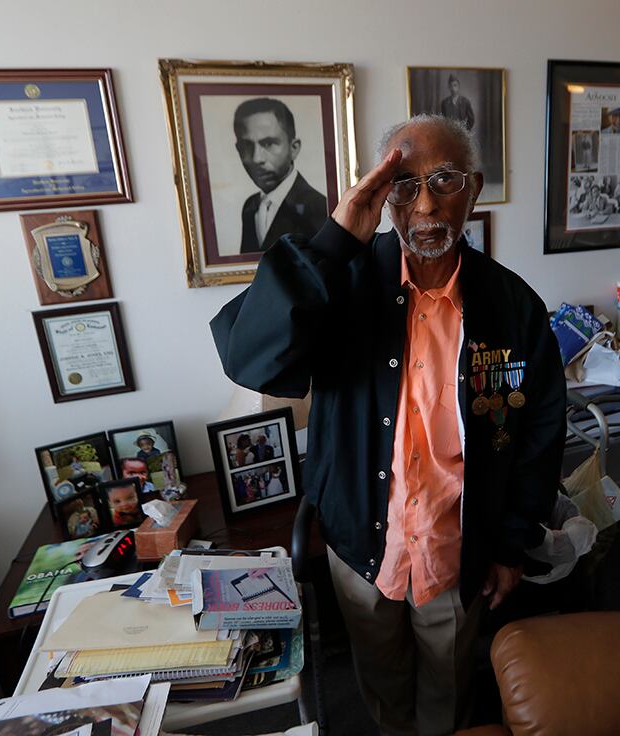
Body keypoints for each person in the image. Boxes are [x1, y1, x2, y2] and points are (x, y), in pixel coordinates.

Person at [211, 114, 564, 735]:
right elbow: (249, 356)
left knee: (450, 693)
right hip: (362, 544)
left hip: (459, 553)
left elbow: (539, 433)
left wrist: (512, 543)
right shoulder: (338, 279)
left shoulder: (514, 307)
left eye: (445, 179)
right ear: (380, 193)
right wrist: (333, 240)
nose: (426, 203)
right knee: (382, 689)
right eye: (404, 184)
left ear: (474, 188)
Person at [234, 98, 328, 253]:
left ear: (294, 148)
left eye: (268, 143)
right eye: (247, 146)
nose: (257, 158)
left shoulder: (319, 207)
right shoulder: (250, 207)